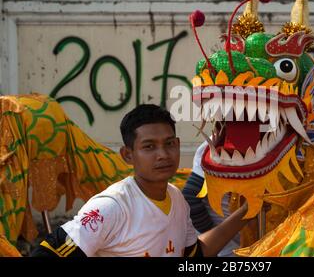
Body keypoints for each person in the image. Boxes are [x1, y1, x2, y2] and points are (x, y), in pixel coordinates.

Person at [31, 104, 251, 257]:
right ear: (128, 155)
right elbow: (48, 252)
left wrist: (247, 211)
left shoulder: (177, 198)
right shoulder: (112, 206)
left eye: (169, 144)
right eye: (149, 147)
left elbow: (194, 255)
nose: (163, 154)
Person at [182, 141, 240, 257]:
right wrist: (220, 240)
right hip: (226, 246)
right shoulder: (216, 144)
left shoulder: (277, 139)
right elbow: (191, 199)